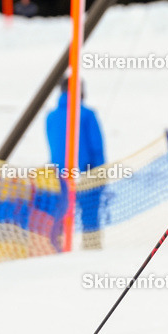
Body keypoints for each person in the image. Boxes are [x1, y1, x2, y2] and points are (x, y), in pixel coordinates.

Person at [46, 77, 106, 249]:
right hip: (87, 173)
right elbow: (96, 146)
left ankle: (58, 249)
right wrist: (101, 173)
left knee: (61, 218)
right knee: (90, 217)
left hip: (59, 176)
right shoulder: (87, 114)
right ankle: (91, 249)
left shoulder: (51, 117)